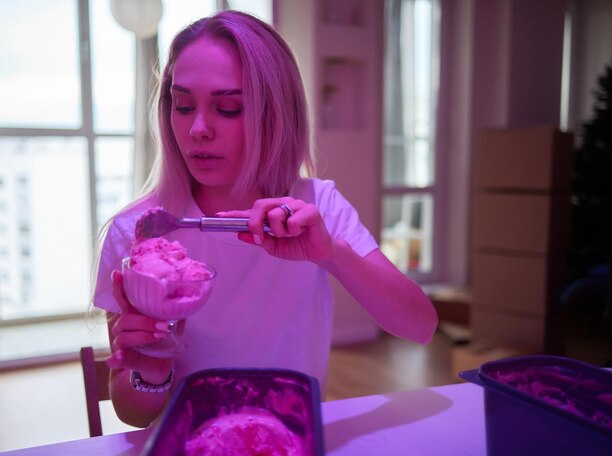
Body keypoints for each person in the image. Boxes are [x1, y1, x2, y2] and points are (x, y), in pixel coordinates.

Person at [93, 10, 438, 428]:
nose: (197, 129)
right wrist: (151, 368)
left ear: (275, 114)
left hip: (291, 437)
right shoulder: (137, 232)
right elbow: (132, 415)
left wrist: (331, 253)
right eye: (183, 105)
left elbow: (421, 326)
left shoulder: (318, 207)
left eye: (228, 109)